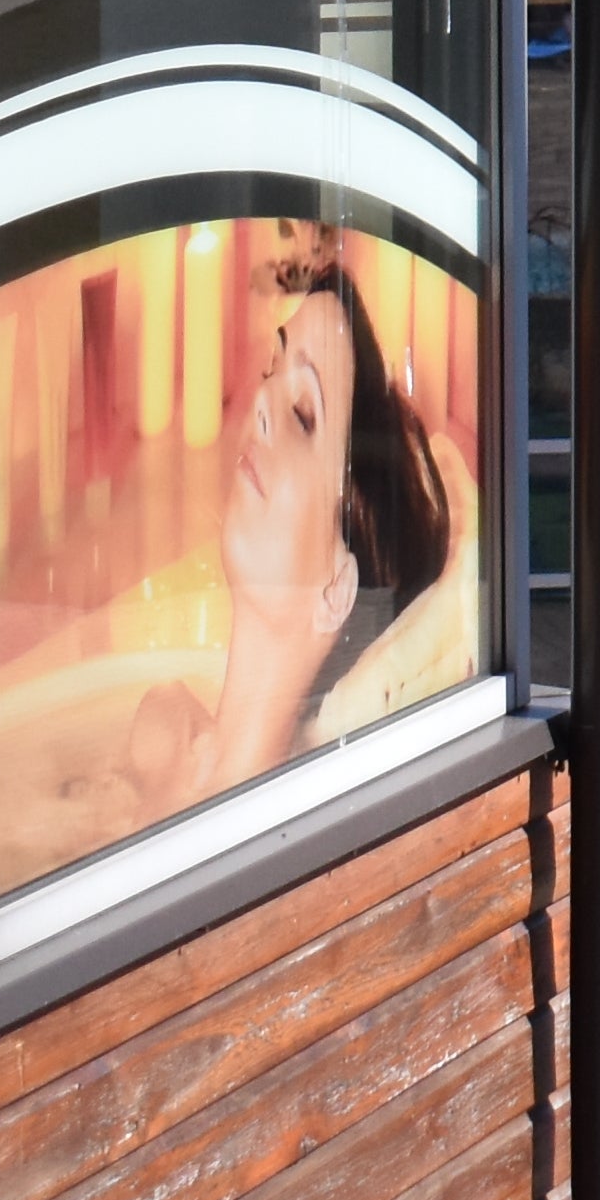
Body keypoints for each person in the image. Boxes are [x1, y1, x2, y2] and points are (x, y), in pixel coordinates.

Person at [59, 228, 455, 847]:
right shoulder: (159, 728)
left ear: (336, 589)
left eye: (304, 413)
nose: (263, 400)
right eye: (272, 369)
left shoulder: (282, 838)